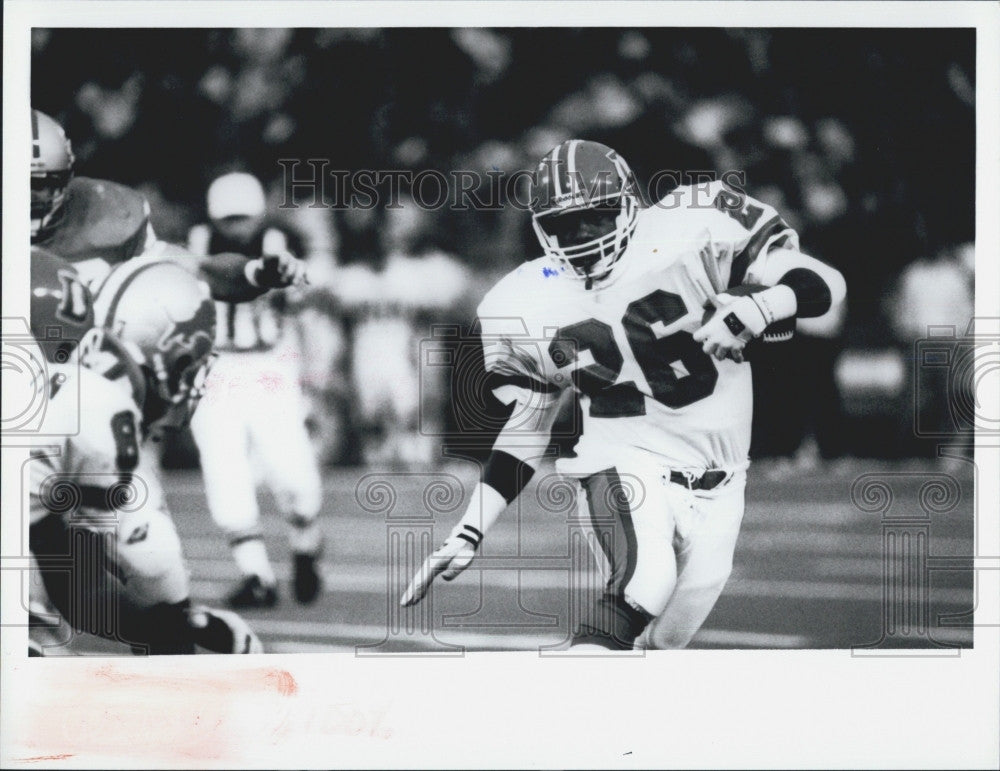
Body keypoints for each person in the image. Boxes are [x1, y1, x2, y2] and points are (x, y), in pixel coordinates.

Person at [402, 139, 846, 650]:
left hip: (724, 480)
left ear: (630, 202)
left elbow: (826, 283)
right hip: (621, 459)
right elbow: (529, 424)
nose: (581, 237)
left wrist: (762, 308)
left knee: (660, 645)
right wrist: (470, 530)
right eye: (563, 225)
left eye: (595, 217)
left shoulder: (693, 223)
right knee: (643, 582)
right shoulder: (522, 299)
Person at [28, 250, 262, 654]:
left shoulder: (54, 399)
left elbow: (76, 591)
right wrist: (180, 626)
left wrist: (181, 626)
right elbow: (130, 576)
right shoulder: (98, 406)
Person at [186, 172, 323, 608]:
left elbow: (306, 310)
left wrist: (314, 373)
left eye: (243, 218)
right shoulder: (195, 243)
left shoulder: (283, 244)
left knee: (293, 473)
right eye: (229, 219)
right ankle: (256, 574)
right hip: (218, 368)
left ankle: (305, 545)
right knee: (224, 470)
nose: (236, 228)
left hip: (270, 366)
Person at [30, 109, 306, 300]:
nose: (30, 197)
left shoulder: (108, 217)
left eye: (39, 183)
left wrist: (255, 272)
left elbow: (200, 271)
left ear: (65, 177)